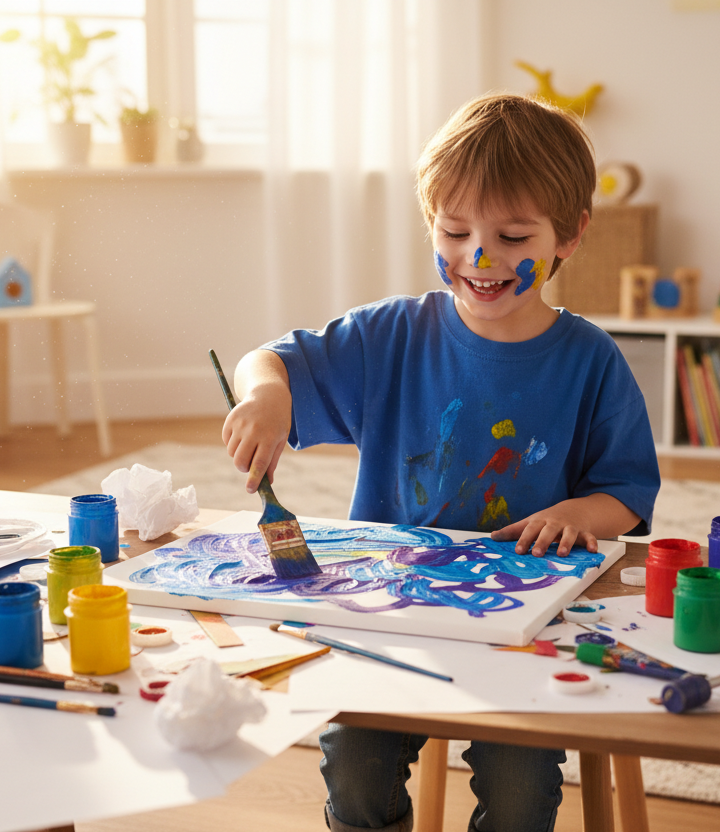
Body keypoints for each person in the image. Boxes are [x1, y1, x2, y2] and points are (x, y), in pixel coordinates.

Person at [222, 92, 660, 832]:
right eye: (455, 231)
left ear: (571, 236)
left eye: (513, 236)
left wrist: (575, 514)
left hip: (524, 620)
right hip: (390, 612)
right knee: (355, 766)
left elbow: (626, 490)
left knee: (522, 792)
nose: (479, 259)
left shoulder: (591, 360)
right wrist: (268, 398)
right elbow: (266, 359)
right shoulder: (392, 335)